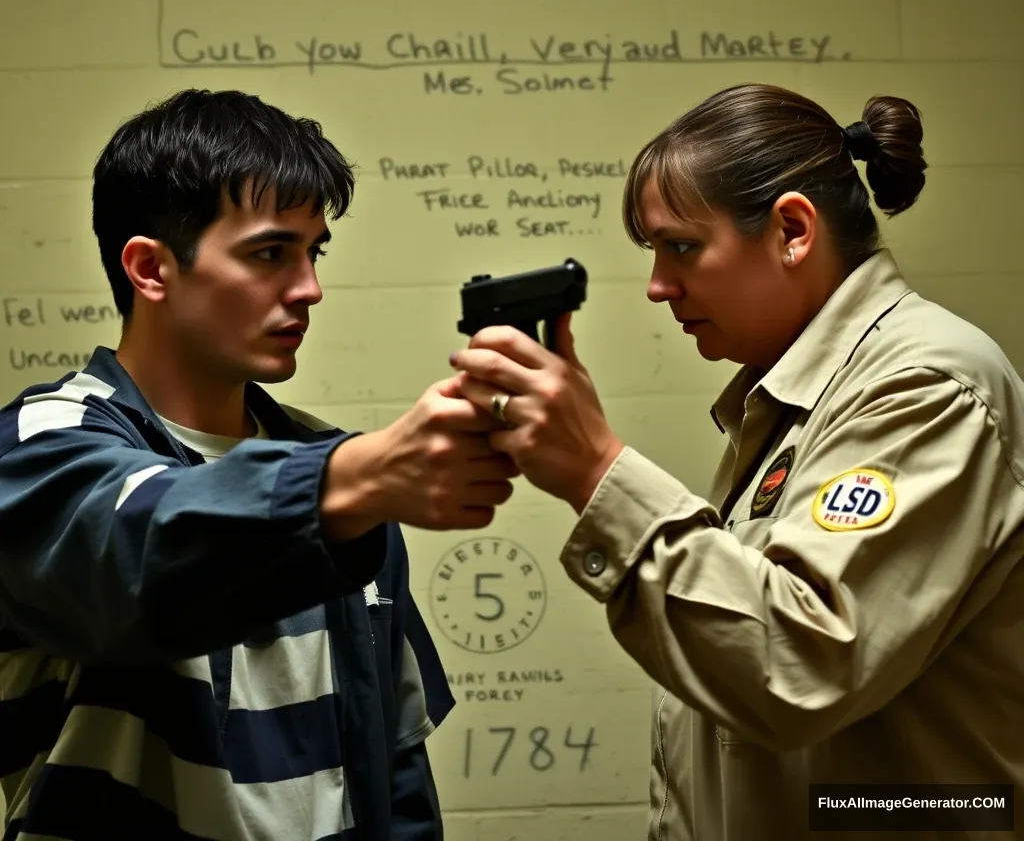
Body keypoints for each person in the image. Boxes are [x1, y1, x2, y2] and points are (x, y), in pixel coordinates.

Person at [449, 83, 1024, 840]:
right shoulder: (796, 399)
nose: (658, 286)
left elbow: (796, 666)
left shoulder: (924, 387)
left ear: (791, 229)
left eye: (681, 247)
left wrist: (595, 469)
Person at [0, 89, 517, 841]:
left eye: (315, 252)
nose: (309, 288)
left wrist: (356, 480)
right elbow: (137, 556)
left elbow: (396, 768)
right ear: (150, 268)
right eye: (271, 253)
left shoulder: (339, 476)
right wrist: (360, 477)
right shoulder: (41, 443)